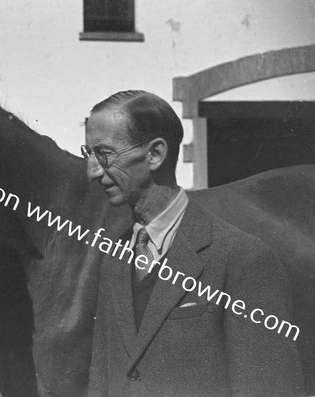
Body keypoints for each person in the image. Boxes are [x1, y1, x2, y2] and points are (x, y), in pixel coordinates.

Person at [83, 90, 304, 396]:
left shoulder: (244, 260)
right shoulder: (114, 258)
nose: (92, 171)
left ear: (155, 155)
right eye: (88, 153)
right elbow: (100, 383)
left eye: (104, 154)